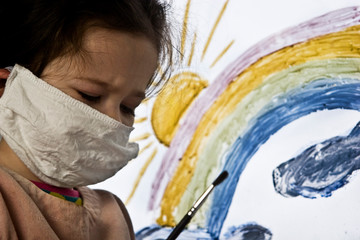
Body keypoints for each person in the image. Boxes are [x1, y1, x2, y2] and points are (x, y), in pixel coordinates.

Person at [0, 0, 175, 239]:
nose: (113, 120)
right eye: (90, 95)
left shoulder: (112, 214)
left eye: (128, 107)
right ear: (5, 85)